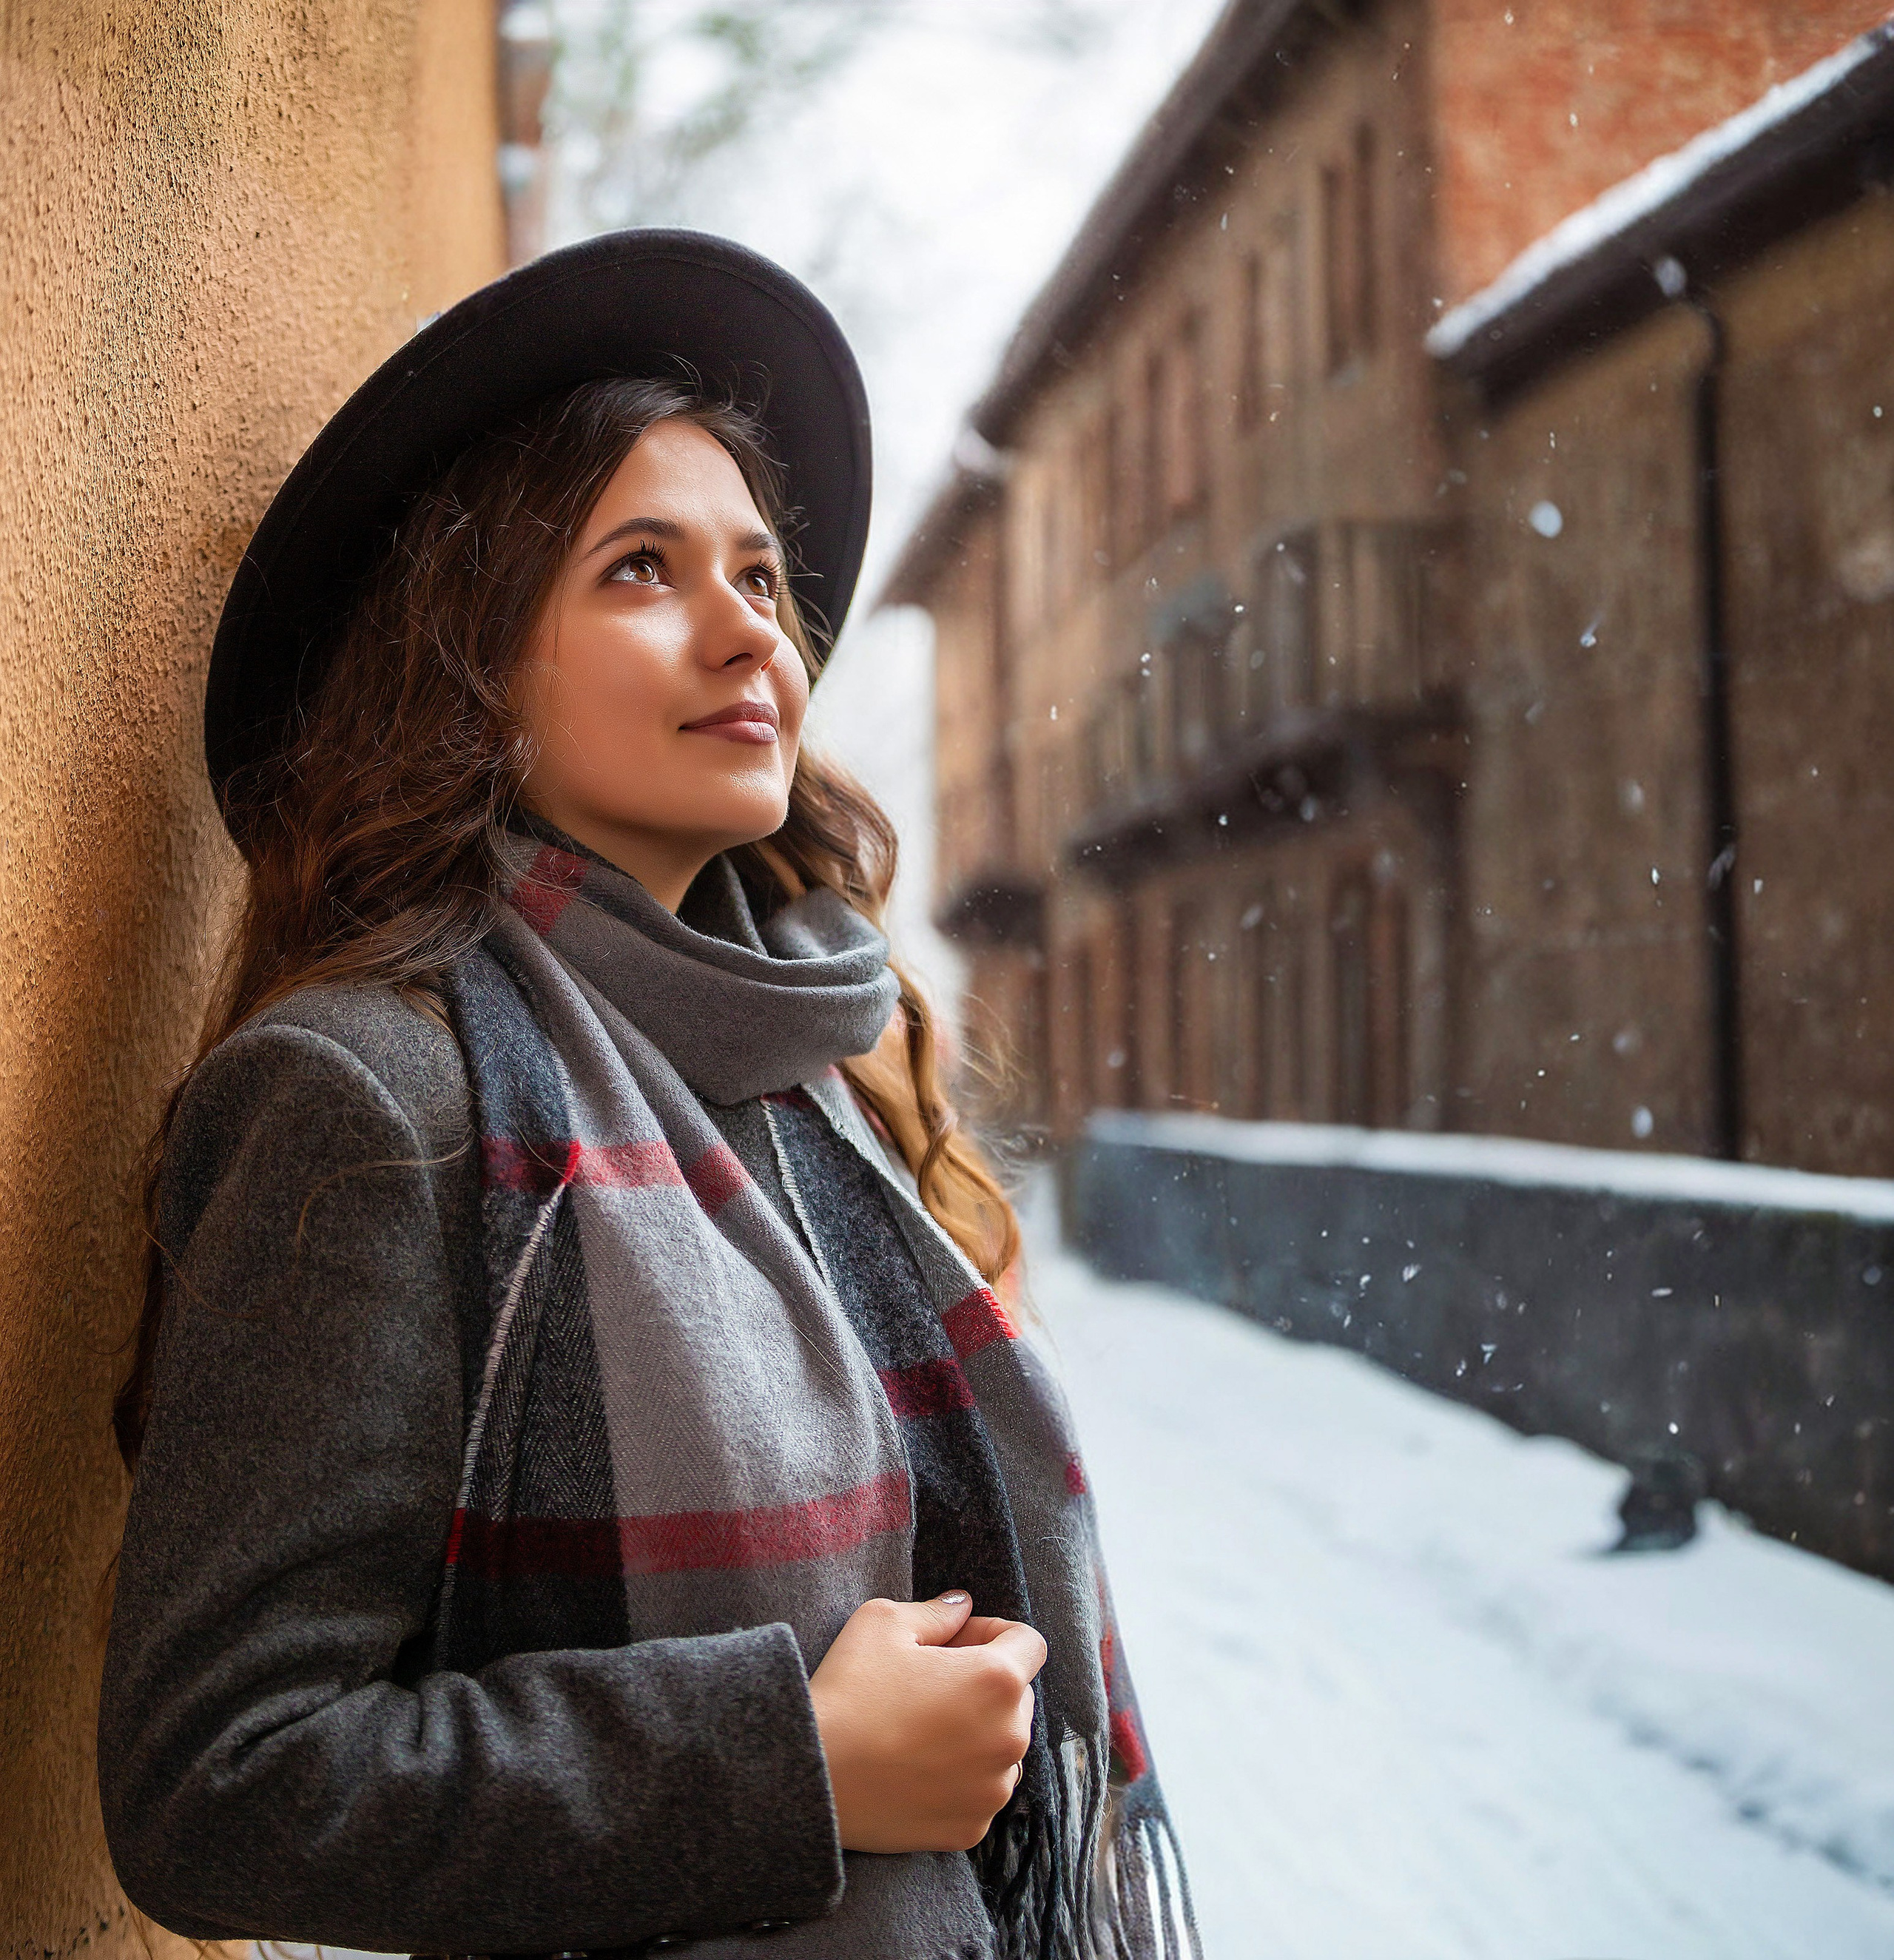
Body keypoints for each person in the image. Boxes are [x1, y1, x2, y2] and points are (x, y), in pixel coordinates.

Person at [99, 231, 1196, 1960]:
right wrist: (798, 1760)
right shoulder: (373, 1100)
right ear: (465, 675)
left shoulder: (817, 1061)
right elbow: (218, 1779)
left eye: (760, 577)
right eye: (638, 569)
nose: (744, 630)